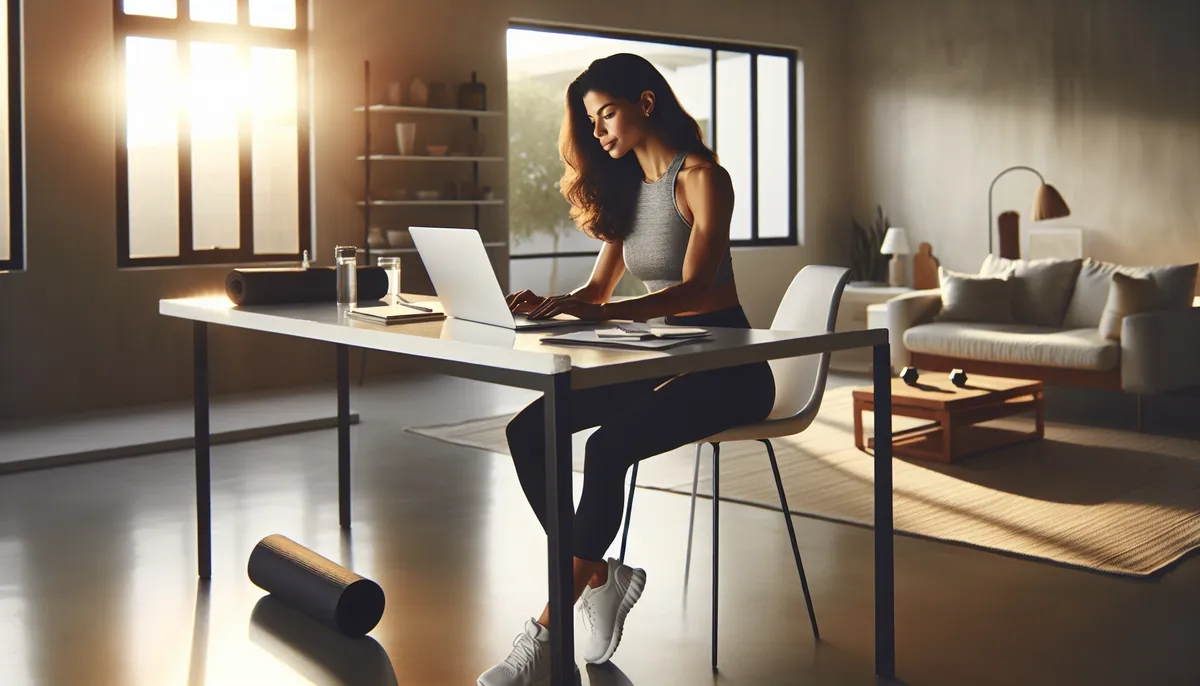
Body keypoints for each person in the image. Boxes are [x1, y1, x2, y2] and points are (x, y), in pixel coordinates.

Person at [477, 53, 777, 686]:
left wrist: (608, 316)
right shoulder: (629, 192)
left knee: (609, 448)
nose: (598, 131)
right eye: (590, 122)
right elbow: (599, 289)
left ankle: (544, 635)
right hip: (662, 354)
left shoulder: (703, 178)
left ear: (645, 102)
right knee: (529, 430)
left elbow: (695, 291)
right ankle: (599, 574)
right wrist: (553, 305)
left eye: (605, 114)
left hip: (731, 365)